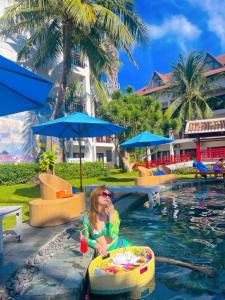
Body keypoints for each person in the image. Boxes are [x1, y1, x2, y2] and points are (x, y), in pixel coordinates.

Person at [82, 186, 132, 256]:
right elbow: (84, 238)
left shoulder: (114, 213)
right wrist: (97, 246)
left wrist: (111, 215)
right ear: (95, 197)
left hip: (120, 247)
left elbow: (113, 235)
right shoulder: (87, 217)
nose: (108, 197)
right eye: (104, 195)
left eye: (109, 195)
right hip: (105, 254)